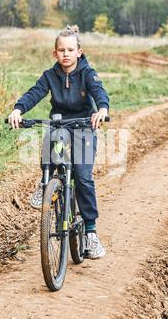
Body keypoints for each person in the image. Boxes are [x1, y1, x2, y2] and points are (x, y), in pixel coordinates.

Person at [8, 25, 109, 259]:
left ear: (79, 52)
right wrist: (17, 109)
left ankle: (91, 233)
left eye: (70, 50)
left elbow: (99, 91)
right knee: (53, 138)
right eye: (61, 50)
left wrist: (102, 109)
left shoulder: (87, 73)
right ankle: (46, 185)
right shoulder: (50, 76)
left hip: (84, 125)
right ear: (55, 53)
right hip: (61, 123)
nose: (66, 54)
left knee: (83, 177)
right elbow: (34, 93)